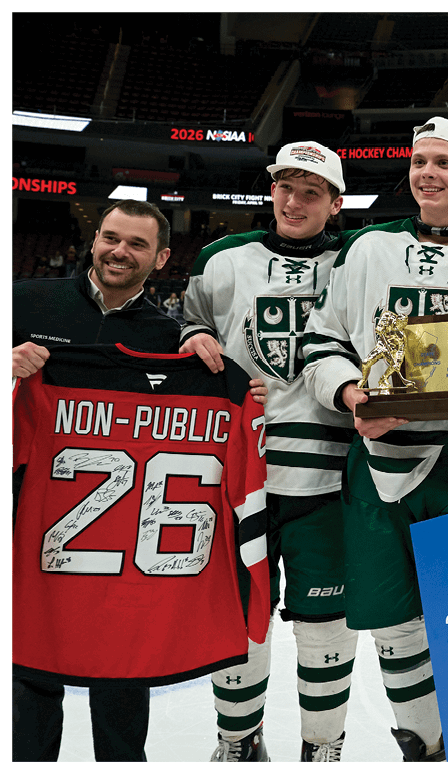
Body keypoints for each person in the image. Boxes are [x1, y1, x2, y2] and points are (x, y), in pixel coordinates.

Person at [302, 118, 448, 761]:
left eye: (443, 163)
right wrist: (351, 395)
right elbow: (322, 341)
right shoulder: (367, 248)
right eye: (418, 161)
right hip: (377, 461)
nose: (427, 173)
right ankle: (425, 748)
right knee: (394, 623)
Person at [179, 141, 360, 762]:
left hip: (328, 482)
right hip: (239, 477)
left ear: (336, 204)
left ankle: (323, 745)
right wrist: (192, 335)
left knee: (325, 627)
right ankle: (238, 740)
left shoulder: (360, 259)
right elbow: (189, 328)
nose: (294, 201)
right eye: (285, 186)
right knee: (238, 616)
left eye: (311, 192)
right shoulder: (221, 257)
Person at [12, 200, 181, 762]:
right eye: (111, 237)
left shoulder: (168, 336)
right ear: (95, 239)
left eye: (136, 244)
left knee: (122, 674)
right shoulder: (25, 300)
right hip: (29, 522)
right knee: (30, 674)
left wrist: (241, 394)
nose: (118, 252)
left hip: (119, 539)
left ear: (161, 259)